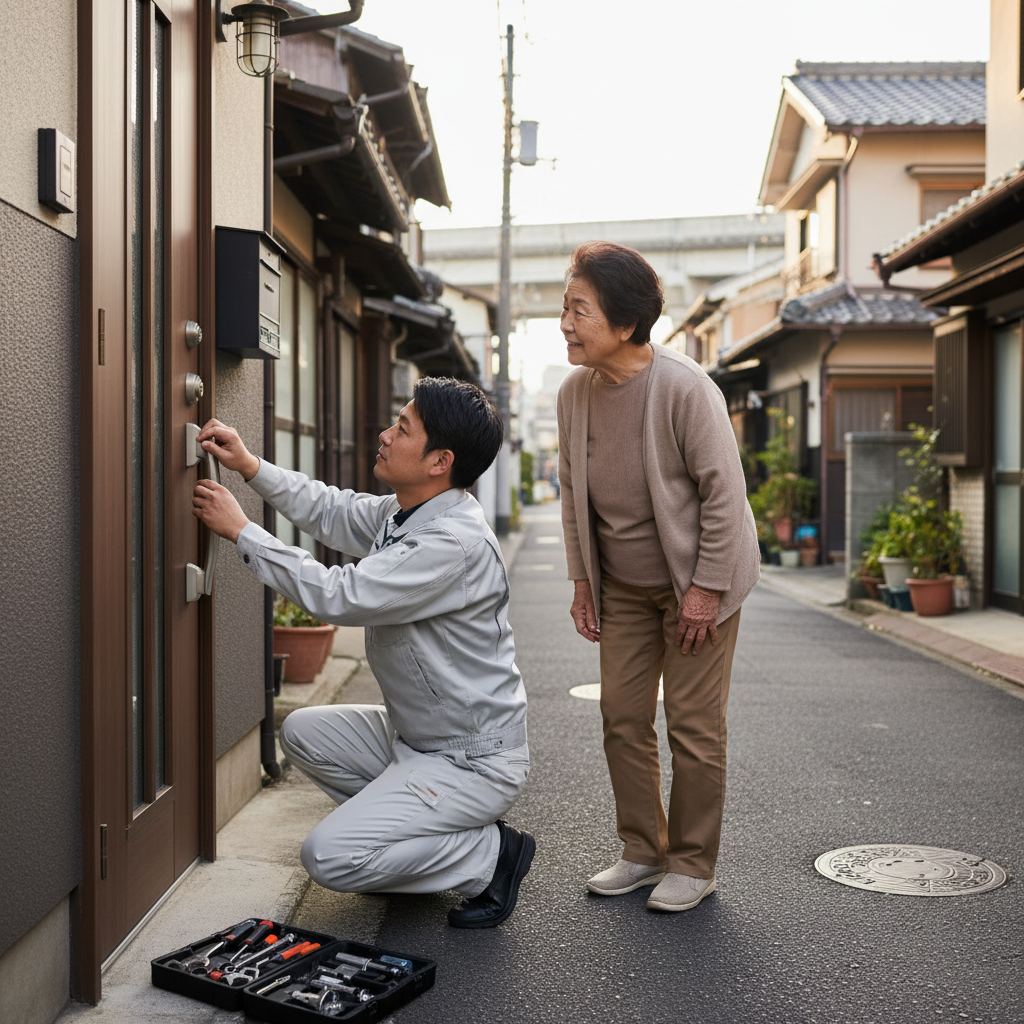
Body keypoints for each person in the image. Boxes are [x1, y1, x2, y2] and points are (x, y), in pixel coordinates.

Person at [191, 376, 534, 929]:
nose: (384, 435)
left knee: (327, 856)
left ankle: (489, 857)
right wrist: (251, 467)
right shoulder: (408, 512)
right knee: (302, 732)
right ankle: (418, 842)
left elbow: (340, 595)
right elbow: (332, 510)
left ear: (439, 461)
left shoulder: (451, 542)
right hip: (417, 740)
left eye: (402, 429)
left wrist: (244, 533)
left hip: (470, 759)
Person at [556, 242, 760, 913]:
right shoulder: (573, 395)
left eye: (578, 310)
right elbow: (571, 493)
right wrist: (583, 581)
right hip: (622, 590)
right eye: (565, 307)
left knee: (694, 727)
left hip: (697, 583)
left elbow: (724, 495)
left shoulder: (684, 387)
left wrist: (705, 590)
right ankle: (643, 850)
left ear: (623, 323)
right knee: (621, 717)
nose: (565, 323)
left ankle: (694, 863)